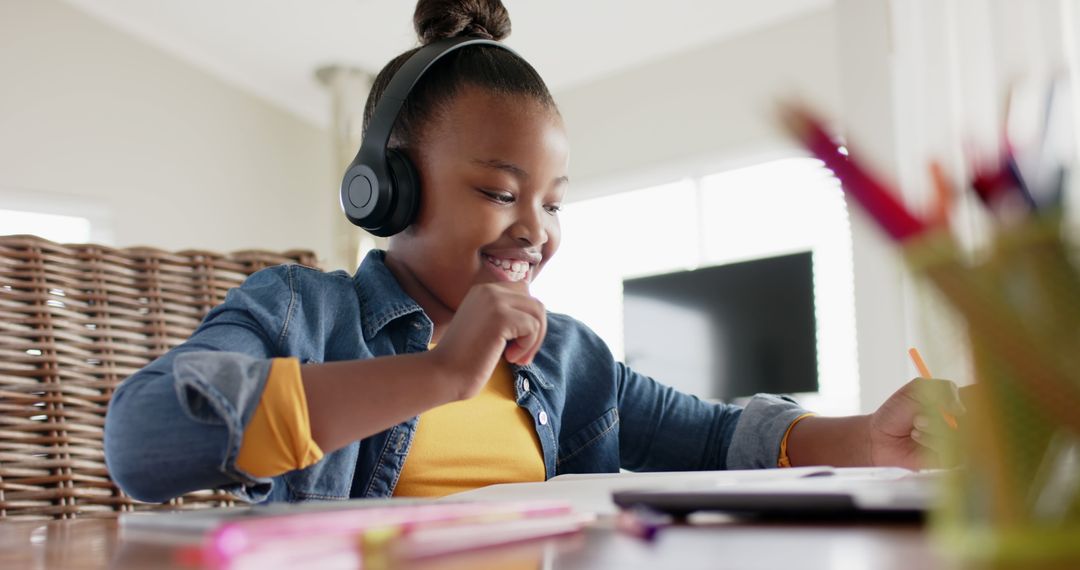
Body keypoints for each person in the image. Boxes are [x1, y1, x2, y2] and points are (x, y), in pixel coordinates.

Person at [103, 0, 963, 504]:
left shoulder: (567, 357)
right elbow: (140, 442)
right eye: (500, 193)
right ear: (386, 189)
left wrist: (867, 440)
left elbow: (710, 436)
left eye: (553, 202)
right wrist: (437, 376)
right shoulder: (302, 312)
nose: (536, 229)